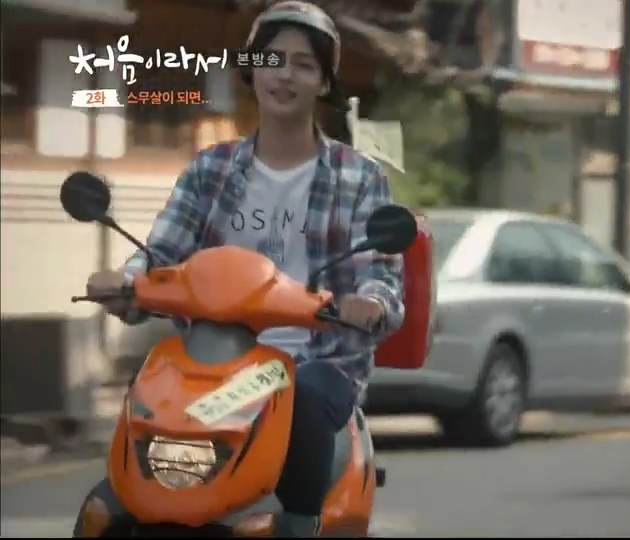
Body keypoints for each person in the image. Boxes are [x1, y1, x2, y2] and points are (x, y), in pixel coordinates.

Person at [84, 1, 404, 536]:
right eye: (271, 59)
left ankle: (300, 524)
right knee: (146, 402)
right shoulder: (210, 168)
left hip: (313, 361)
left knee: (306, 401)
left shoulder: (360, 177)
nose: (285, 75)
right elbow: (163, 253)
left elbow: (383, 276)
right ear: (251, 71)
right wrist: (127, 282)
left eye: (304, 64)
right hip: (211, 361)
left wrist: (369, 303)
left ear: (324, 82)